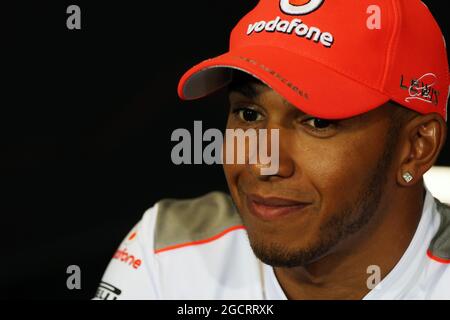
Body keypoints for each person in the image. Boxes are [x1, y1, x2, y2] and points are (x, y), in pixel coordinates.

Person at [94, 0, 449, 300]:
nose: (264, 161)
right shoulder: (170, 248)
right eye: (249, 115)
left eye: (318, 122)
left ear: (416, 147)